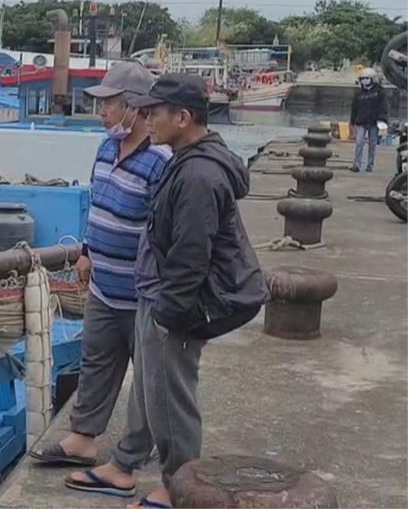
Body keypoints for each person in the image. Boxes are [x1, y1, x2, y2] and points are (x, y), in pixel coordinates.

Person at [65, 74, 267, 508]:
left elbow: (192, 254)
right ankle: (124, 466)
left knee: (171, 399)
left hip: (175, 305)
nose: (146, 118)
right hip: (157, 295)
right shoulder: (184, 157)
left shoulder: (197, 174)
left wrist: (169, 314)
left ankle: (179, 485)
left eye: (154, 112)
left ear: (183, 117)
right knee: (149, 390)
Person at [29, 61, 170, 467]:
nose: (101, 112)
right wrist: (88, 251)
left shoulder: (160, 161)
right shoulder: (107, 146)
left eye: (108, 104)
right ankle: (82, 439)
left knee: (149, 377)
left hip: (142, 294)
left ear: (134, 108)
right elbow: (99, 207)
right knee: (96, 359)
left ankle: (144, 448)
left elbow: (162, 227)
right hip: (104, 286)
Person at [351, 67, 388, 172]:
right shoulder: (358, 93)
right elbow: (354, 108)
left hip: (374, 122)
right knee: (359, 143)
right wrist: (352, 122)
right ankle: (356, 165)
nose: (364, 81)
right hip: (361, 121)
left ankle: (370, 165)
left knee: (372, 144)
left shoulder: (379, 91)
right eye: (362, 79)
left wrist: (383, 120)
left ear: (372, 79)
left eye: (366, 78)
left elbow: (384, 107)